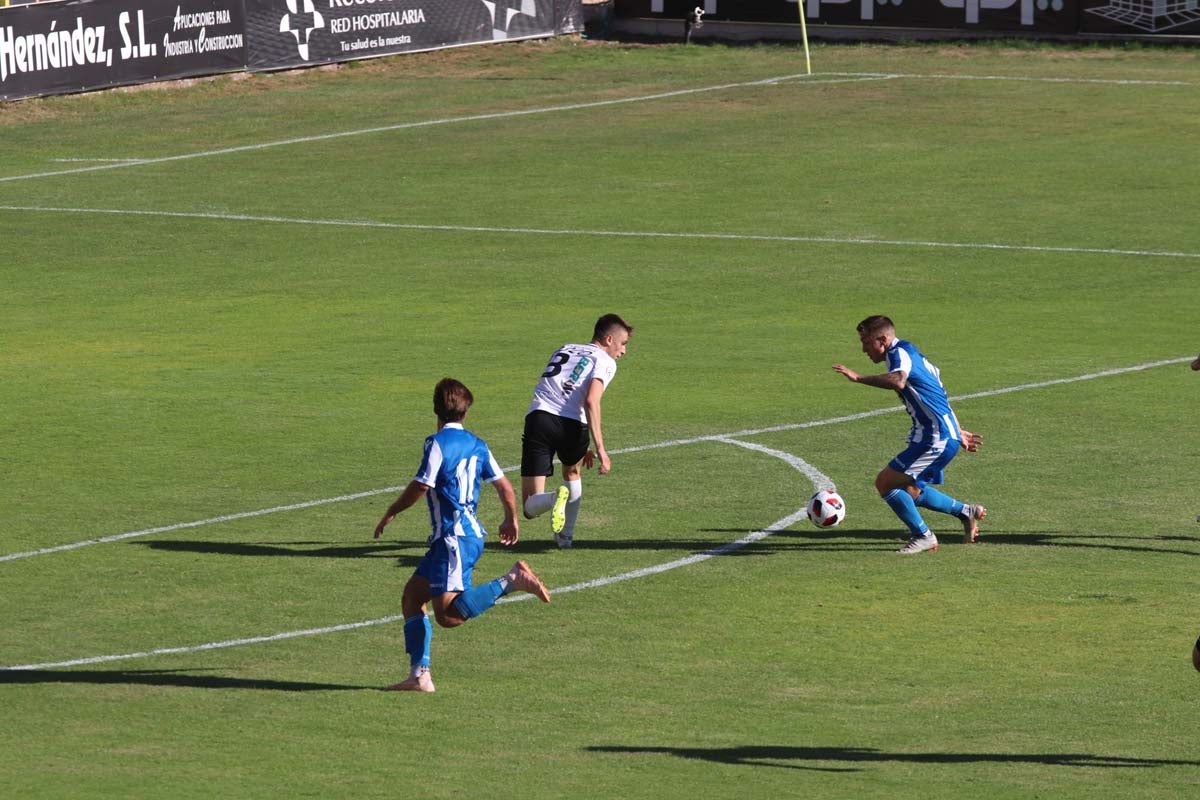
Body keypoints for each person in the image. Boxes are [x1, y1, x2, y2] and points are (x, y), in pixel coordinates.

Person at [373, 378, 550, 692]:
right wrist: (511, 519)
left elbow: (422, 485)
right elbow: (504, 486)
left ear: (435, 410)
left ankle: (512, 580)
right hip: (459, 538)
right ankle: (419, 675)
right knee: (413, 596)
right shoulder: (478, 444)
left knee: (448, 616)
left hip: (453, 540)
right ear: (466, 413)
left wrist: (392, 510)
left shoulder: (436, 443)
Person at [832, 315, 986, 555]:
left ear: (883, 340)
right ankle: (966, 512)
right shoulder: (911, 352)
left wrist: (859, 378)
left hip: (935, 438)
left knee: (885, 483)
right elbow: (938, 392)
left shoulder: (899, 354)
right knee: (909, 491)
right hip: (937, 435)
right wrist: (956, 428)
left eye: (866, 342)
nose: (863, 349)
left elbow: (898, 381)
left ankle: (923, 536)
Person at [520, 313, 634, 549]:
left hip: (540, 418)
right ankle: (566, 537)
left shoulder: (565, 348)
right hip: (573, 426)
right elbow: (591, 401)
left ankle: (554, 498)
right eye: (623, 344)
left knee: (530, 506)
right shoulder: (605, 361)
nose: (623, 351)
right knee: (572, 472)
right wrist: (600, 448)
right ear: (609, 339)